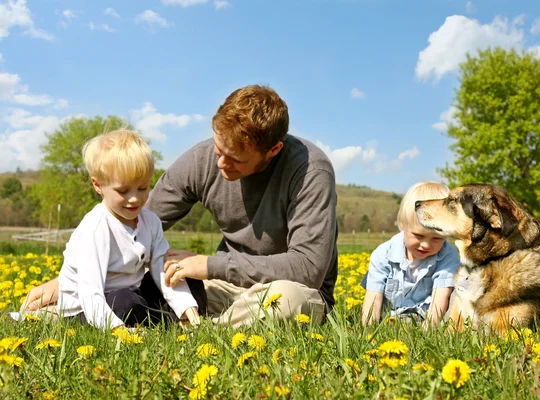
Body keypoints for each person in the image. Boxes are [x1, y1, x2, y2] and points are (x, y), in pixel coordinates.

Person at [21, 85, 338, 328]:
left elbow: (307, 269)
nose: (220, 163)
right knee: (163, 278)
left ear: (273, 150)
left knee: (286, 301)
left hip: (289, 291)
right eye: (218, 147)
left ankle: (201, 333)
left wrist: (210, 265)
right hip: (222, 288)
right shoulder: (206, 159)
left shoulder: (310, 172)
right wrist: (72, 278)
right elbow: (135, 220)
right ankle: (53, 316)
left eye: (236, 159)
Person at [29, 129, 204, 330]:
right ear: (98, 185)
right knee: (125, 302)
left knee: (182, 275)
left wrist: (185, 305)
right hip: (87, 308)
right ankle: (158, 322)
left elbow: (160, 267)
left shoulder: (151, 221)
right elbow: (90, 291)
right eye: (123, 191)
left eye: (143, 188)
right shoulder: (96, 228)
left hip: (132, 292)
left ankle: (186, 318)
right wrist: (117, 330)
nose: (135, 199)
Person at [361, 181, 459, 328]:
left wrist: (429, 332)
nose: (426, 244)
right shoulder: (383, 255)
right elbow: (373, 299)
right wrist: (369, 331)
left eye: (437, 238)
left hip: (427, 319)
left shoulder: (448, 256)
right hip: (389, 321)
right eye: (418, 236)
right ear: (402, 224)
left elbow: (441, 297)